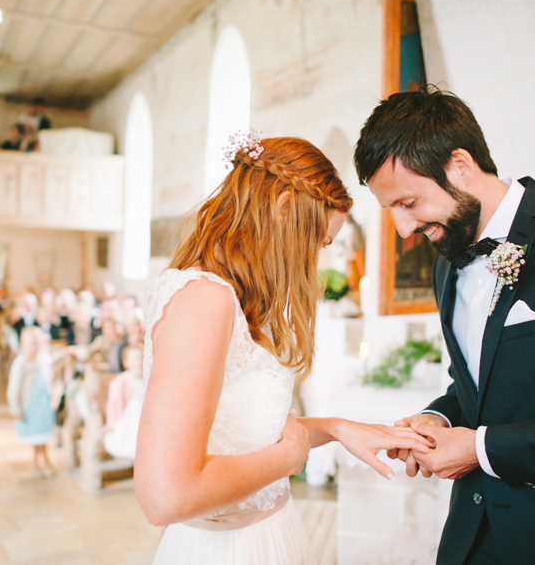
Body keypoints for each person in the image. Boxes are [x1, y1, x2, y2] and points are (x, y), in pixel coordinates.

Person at [353, 86, 535, 564]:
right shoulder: (446, 265)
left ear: (460, 165)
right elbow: (477, 386)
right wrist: (439, 419)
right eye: (391, 212)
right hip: (473, 539)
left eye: (408, 203)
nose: (404, 231)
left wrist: (483, 448)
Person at [136, 136, 434, 563]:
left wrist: (335, 428)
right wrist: (288, 458)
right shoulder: (203, 299)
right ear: (282, 211)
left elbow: (242, 437)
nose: (314, 261)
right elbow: (166, 495)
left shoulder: (230, 296)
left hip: (269, 536)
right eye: (317, 242)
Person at [6, 326, 62, 477]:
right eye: (30, 344)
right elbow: (13, 388)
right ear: (23, 344)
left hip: (43, 402)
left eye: (36, 344)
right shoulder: (20, 363)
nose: (34, 348)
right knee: (35, 436)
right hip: (29, 404)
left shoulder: (44, 359)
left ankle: (42, 461)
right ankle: (39, 461)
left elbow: (51, 377)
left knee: (44, 434)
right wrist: (15, 408)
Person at [103, 343, 145, 460]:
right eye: (135, 359)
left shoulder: (148, 379)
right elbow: (114, 405)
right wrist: (110, 423)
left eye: (142, 358)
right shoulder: (121, 381)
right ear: (126, 362)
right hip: (129, 417)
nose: (139, 362)